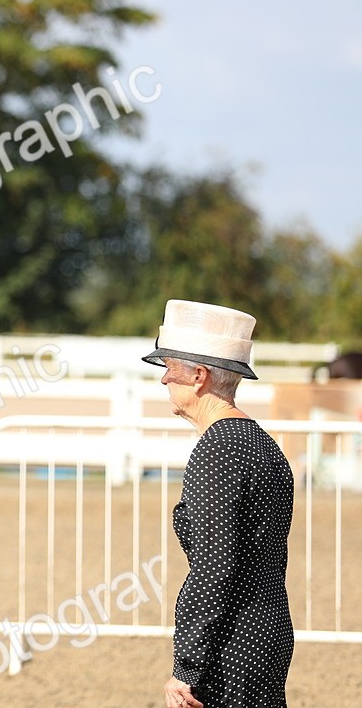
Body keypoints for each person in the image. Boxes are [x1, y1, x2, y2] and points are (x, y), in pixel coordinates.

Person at [143, 300, 294, 708]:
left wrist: (187, 665)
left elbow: (214, 567)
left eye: (169, 368)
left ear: (198, 376)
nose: (164, 379)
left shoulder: (218, 449)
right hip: (268, 629)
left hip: (230, 643)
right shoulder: (262, 444)